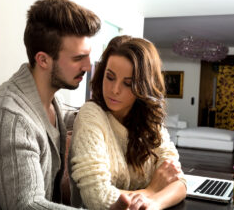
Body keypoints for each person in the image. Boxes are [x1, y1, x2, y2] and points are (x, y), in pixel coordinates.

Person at [0, 0, 135, 209]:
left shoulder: (53, 103)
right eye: (78, 58)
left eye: (88, 56)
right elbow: (27, 205)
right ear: (43, 60)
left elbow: (92, 119)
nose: (88, 66)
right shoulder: (9, 116)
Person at [69, 35, 187, 210]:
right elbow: (97, 196)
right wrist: (152, 189)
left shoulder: (150, 122)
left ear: (143, 87)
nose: (115, 90)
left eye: (128, 83)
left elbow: (179, 181)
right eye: (110, 77)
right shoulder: (91, 114)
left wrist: (154, 203)